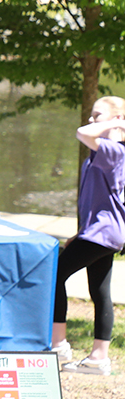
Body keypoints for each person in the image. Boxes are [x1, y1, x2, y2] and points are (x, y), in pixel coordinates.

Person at [51, 96, 125, 375]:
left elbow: (82, 133)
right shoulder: (104, 151)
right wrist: (80, 233)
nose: (91, 120)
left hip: (104, 233)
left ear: (116, 119)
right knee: (100, 292)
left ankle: (58, 344)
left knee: (55, 274)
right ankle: (98, 358)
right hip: (100, 232)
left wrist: (118, 124)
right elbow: (95, 200)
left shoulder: (114, 151)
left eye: (98, 115)